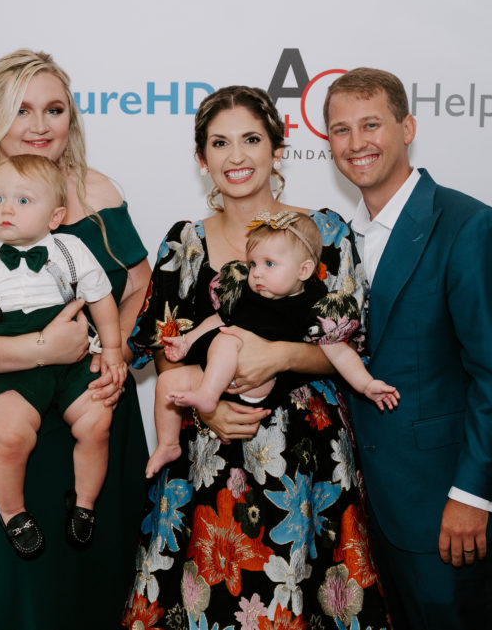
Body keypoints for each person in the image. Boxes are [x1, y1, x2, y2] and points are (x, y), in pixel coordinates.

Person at [123, 85, 390, 630]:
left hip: (306, 472)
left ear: (277, 149)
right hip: (207, 467)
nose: (237, 156)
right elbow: (166, 355)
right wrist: (206, 410)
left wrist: (277, 355)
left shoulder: (326, 233)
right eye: (220, 143)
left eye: (251, 139)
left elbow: (351, 347)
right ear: (202, 159)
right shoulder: (184, 245)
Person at [0, 50, 151, 629]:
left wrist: (103, 350)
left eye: (54, 109)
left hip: (92, 408)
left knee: (100, 584)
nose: (40, 126)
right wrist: (41, 350)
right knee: (19, 594)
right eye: (21, 110)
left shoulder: (99, 192)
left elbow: (138, 284)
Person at [324, 67, 492, 630]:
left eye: (372, 124)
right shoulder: (336, 240)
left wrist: (472, 496)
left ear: (407, 126)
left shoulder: (472, 227)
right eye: (340, 130)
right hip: (369, 510)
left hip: (447, 509)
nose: (356, 142)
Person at [0, 153, 126, 558]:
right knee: (9, 437)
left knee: (97, 424)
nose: (6, 208)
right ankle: (12, 512)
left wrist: (112, 349)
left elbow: (102, 299)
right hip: (16, 366)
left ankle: (84, 504)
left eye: (23, 200)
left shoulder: (71, 249)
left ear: (55, 216)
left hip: (75, 360)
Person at [146, 208, 399, 478]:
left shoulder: (311, 305)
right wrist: (186, 342)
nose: (256, 273)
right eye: (253, 263)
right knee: (168, 382)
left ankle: (207, 394)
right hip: (220, 376)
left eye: (269, 264)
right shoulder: (244, 292)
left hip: (261, 384)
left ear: (304, 270)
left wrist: (366, 384)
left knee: (228, 339)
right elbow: (216, 319)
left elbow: (340, 353)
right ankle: (168, 444)